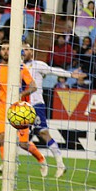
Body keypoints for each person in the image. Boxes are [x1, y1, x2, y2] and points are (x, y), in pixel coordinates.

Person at [23, 43, 86, 178]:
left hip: (36, 104)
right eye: (22, 49)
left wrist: (70, 74)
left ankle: (60, 163)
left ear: (32, 52)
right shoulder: (16, 66)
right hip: (22, 105)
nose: (24, 51)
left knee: (44, 133)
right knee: (17, 139)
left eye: (27, 49)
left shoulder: (38, 65)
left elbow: (53, 70)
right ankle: (36, 160)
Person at [0, 42, 46, 177]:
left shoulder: (20, 68)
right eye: (3, 49)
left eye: (8, 49)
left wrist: (21, 94)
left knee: (23, 144)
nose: (5, 51)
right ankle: (6, 166)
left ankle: (41, 159)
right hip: (2, 108)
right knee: (1, 137)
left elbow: (33, 87)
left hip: (20, 110)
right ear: (0, 52)